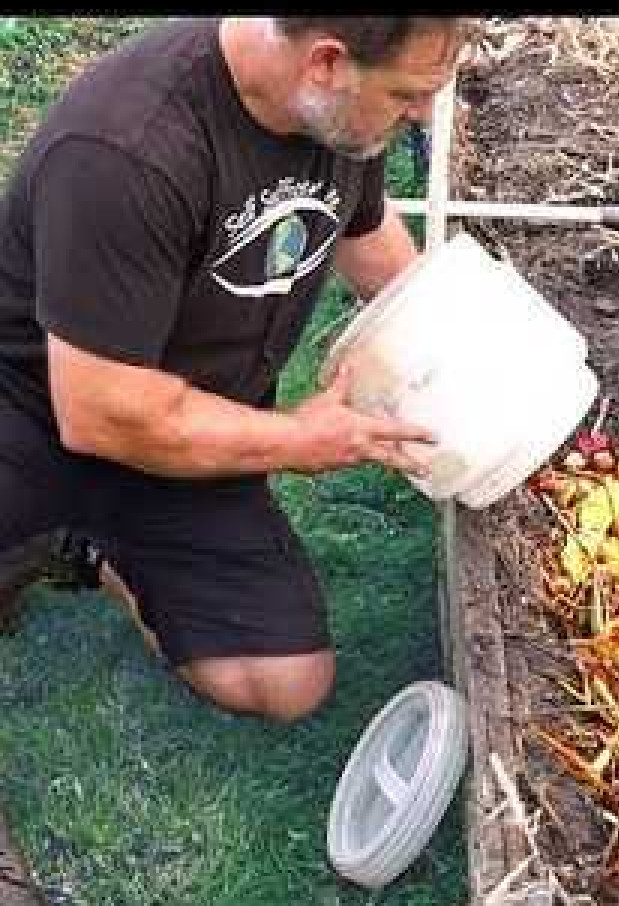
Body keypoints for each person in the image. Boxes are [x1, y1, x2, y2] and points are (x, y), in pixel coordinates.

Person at [0, 16, 474, 722]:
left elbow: (369, 238)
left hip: (189, 428)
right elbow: (98, 410)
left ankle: (91, 552)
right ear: (326, 62)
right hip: (33, 414)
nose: (423, 114)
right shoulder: (127, 150)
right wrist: (297, 441)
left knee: (287, 682)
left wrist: (466, 351)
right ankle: (44, 529)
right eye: (409, 94)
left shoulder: (341, 117)